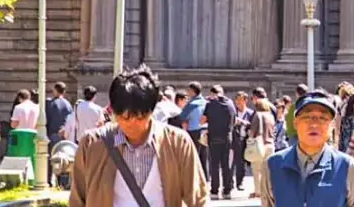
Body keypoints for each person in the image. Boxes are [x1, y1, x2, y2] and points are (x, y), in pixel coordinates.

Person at [69, 65, 208, 207]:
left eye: (140, 118)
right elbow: (78, 199)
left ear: (152, 111)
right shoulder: (92, 144)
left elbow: (198, 198)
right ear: (114, 113)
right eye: (124, 118)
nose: (132, 124)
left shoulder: (178, 143)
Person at [265, 90, 354, 207]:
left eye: (322, 118)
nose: (314, 124)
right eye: (307, 117)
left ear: (332, 125)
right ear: (295, 123)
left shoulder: (349, 168)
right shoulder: (273, 165)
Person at [203, 85, 237, 199]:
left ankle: (214, 191)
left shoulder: (210, 104)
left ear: (213, 93)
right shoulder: (230, 104)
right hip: (227, 137)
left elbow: (202, 120)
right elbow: (235, 119)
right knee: (226, 165)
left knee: (214, 165)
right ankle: (227, 191)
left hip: (214, 138)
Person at [247, 97, 277, 205]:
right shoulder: (270, 116)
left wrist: (249, 136)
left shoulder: (257, 115)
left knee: (256, 170)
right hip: (270, 145)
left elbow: (253, 131)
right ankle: (268, 191)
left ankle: (258, 191)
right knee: (268, 171)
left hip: (260, 146)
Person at [179, 82, 208, 174]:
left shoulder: (191, 104)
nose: (187, 92)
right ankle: (206, 178)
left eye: (189, 90)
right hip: (205, 131)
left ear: (192, 91)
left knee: (194, 156)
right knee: (204, 156)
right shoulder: (206, 102)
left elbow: (182, 117)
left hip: (194, 132)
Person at [233, 92, 254, 194]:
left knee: (243, 162)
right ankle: (232, 182)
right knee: (234, 162)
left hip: (246, 140)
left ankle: (240, 181)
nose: (238, 102)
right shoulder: (233, 112)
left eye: (240, 100)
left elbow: (253, 126)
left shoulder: (250, 113)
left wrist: (246, 124)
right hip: (234, 139)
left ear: (245, 101)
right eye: (236, 100)